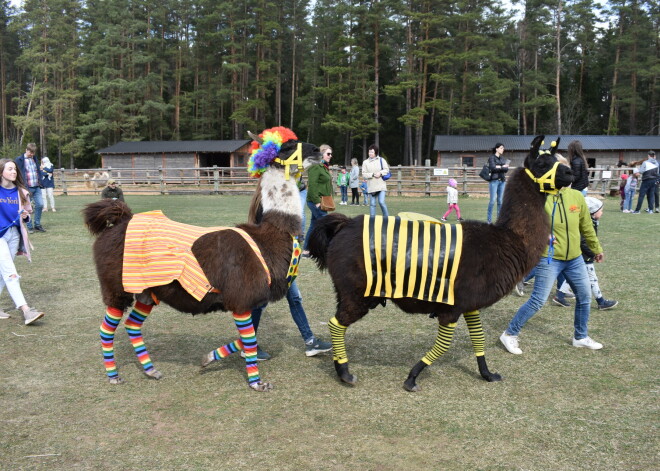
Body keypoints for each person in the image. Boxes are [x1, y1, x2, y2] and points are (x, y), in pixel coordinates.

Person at [500, 180, 606, 354]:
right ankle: (510, 334)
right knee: (538, 300)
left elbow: (586, 226)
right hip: (548, 258)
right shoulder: (539, 198)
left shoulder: (577, 196)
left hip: (575, 258)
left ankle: (580, 337)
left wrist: (596, 249)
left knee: (585, 296)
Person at [0, 159, 44, 325]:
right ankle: (26, 311)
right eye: (9, 169)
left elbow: (26, 214)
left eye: (15, 170)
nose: (14, 172)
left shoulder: (20, 191)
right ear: (1, 171)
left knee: (3, 274)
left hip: (14, 236)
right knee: (11, 273)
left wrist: (26, 216)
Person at [554, 197, 617, 311]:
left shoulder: (592, 221)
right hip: (584, 255)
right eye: (601, 210)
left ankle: (560, 296)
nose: (602, 213)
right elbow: (583, 242)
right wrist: (593, 253)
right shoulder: (586, 223)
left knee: (573, 277)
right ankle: (601, 301)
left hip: (582, 255)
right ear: (593, 212)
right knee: (592, 278)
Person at [247, 280, 332, 360]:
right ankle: (249, 345)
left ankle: (310, 341)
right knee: (259, 303)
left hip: (285, 268)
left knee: (295, 300)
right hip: (271, 269)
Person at [303, 144, 333, 255]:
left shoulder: (323, 166)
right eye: (328, 154)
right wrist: (316, 201)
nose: (330, 156)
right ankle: (330, 248)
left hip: (322, 200)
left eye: (331, 154)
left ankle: (306, 250)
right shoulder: (316, 166)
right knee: (327, 224)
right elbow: (312, 185)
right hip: (316, 201)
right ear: (321, 154)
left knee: (314, 226)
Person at [15, 143, 45, 233]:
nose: (31, 154)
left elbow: (38, 171)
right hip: (26, 187)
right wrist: (20, 185)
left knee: (40, 204)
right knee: (27, 207)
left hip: (36, 186)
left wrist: (40, 181)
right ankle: (29, 226)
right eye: (30, 152)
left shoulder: (35, 159)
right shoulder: (19, 160)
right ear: (26, 150)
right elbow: (17, 173)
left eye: (33, 152)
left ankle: (37, 224)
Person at [361, 144, 389, 218]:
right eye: (369, 152)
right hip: (371, 187)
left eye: (372, 152)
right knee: (372, 204)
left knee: (381, 202)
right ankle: (372, 220)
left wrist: (380, 173)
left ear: (376, 153)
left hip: (381, 185)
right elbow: (364, 174)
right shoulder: (365, 162)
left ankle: (386, 218)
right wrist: (372, 174)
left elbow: (386, 170)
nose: (370, 153)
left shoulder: (381, 160)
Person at [486, 143, 508, 223]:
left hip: (502, 181)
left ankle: (499, 220)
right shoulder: (491, 158)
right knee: (492, 201)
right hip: (494, 181)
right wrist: (502, 167)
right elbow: (493, 168)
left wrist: (499, 167)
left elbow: (506, 170)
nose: (503, 149)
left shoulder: (502, 158)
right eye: (501, 148)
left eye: (503, 148)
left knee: (500, 201)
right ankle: (489, 220)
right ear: (497, 149)